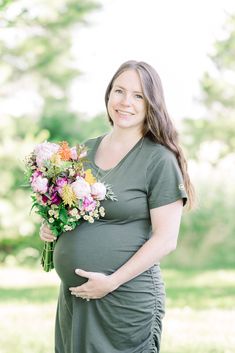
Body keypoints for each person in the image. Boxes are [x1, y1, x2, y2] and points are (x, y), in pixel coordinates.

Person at [40, 60, 195, 353]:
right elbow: (73, 213)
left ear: (152, 104)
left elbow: (165, 240)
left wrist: (111, 282)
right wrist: (52, 226)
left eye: (138, 95)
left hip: (123, 299)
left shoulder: (159, 160)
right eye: (119, 91)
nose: (126, 102)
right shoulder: (86, 150)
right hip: (76, 299)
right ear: (108, 95)